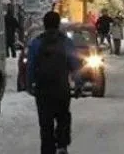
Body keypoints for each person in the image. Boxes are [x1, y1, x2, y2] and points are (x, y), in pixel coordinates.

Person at [27, 11, 83, 154]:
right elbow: (74, 64)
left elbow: (31, 65)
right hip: (61, 89)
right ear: (58, 24)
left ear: (44, 25)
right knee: (63, 117)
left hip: (43, 90)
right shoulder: (66, 42)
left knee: (45, 123)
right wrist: (78, 84)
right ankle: (62, 145)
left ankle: (48, 149)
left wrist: (29, 84)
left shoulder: (37, 43)